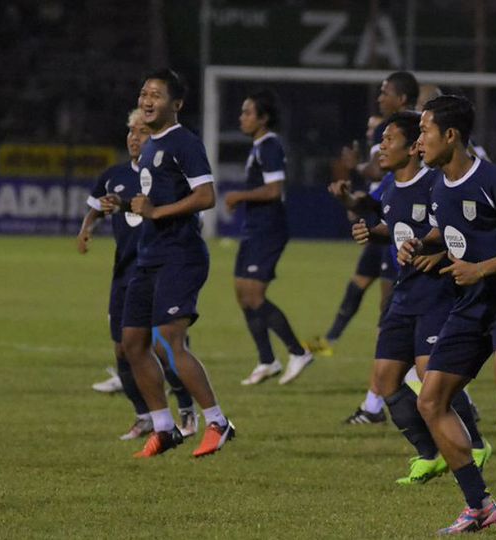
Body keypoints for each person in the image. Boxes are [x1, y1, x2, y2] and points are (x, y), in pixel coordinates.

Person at [398, 95, 496, 535]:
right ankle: (480, 505)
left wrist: (482, 268)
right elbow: (448, 231)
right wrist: (421, 243)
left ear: (451, 136)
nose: (418, 144)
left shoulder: (494, 181)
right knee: (430, 401)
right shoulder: (437, 184)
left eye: (424, 132)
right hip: (469, 306)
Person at [350, 111, 491, 484]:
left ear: (413, 146)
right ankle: (428, 452)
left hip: (438, 292)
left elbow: (458, 232)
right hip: (405, 292)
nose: (381, 146)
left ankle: (474, 444)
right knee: (385, 378)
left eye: (389, 139)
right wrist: (375, 233)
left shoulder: (437, 184)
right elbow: (401, 231)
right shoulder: (392, 187)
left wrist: (437, 252)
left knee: (432, 374)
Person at [105, 69, 233, 458]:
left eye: (156, 95)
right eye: (144, 93)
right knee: (131, 343)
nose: (147, 100)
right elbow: (151, 202)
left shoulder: (185, 143)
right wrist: (129, 206)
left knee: (167, 340)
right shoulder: (147, 147)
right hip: (150, 255)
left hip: (181, 254)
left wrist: (157, 212)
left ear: (176, 104)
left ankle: (218, 421)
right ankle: (164, 427)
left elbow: (206, 196)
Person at [77, 108, 197, 440]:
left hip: (158, 269)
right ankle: (144, 416)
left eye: (141, 133)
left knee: (162, 347)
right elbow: (97, 206)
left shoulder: (165, 175)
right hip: (124, 272)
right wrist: (86, 228)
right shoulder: (113, 174)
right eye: (131, 132)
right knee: (123, 349)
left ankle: (187, 410)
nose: (134, 138)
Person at [308, 72, 420, 365]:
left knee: (394, 322)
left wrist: (356, 167)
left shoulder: (430, 182)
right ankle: (333, 342)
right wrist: (348, 200)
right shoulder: (392, 184)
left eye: (385, 93)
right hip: (391, 240)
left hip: (429, 281)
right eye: (381, 141)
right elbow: (368, 201)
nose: (382, 147)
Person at [224, 89, 314, 386]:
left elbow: (274, 190)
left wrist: (240, 195)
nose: (242, 117)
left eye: (248, 112)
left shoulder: (271, 146)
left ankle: (298, 352)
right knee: (242, 293)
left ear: (263, 119)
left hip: (268, 229)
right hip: (255, 228)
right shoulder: (259, 146)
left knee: (254, 296)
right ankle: (267, 360)